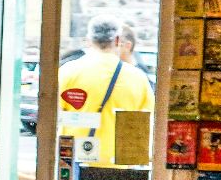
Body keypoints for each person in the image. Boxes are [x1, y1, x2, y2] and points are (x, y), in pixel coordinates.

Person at [57, 16, 153, 166]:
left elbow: (54, 117)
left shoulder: (67, 72)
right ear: (117, 40)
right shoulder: (137, 78)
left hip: (74, 161)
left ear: (88, 40)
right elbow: (144, 124)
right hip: (119, 166)